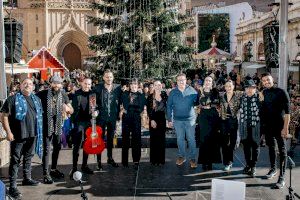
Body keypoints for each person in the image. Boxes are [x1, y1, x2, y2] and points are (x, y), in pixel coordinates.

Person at [1, 78, 43, 199]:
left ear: (33, 87)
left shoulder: (37, 99)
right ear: (20, 86)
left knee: (29, 157)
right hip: (18, 135)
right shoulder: (12, 99)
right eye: (25, 84)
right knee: (15, 160)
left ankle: (27, 178)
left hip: (33, 133)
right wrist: (8, 132)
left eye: (30, 84)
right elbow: (3, 116)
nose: (28, 86)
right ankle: (13, 186)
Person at [37, 75, 73, 184]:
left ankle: (53, 169)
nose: (57, 85)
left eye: (59, 83)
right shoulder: (42, 94)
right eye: (55, 83)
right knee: (47, 150)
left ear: (61, 84)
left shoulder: (63, 94)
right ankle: (45, 174)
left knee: (57, 147)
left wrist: (68, 109)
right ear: (50, 83)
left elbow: (71, 110)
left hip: (58, 126)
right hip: (46, 126)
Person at [261, 72, 290, 189]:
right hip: (268, 126)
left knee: (282, 150)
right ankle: (273, 169)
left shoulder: (282, 92)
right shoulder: (264, 92)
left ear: (272, 79)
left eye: (268, 80)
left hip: (280, 126)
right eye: (264, 81)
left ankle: (282, 176)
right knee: (271, 148)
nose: (266, 82)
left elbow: (288, 113)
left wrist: (285, 128)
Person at [167, 73, 198, 169]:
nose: (181, 82)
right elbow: (169, 106)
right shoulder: (173, 92)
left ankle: (192, 158)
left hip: (190, 120)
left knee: (191, 139)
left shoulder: (192, 91)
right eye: (179, 80)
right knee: (180, 139)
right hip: (177, 120)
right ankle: (182, 157)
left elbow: (198, 103)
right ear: (176, 82)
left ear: (186, 80)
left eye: (183, 80)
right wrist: (169, 119)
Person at [94, 69, 122, 169]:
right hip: (101, 118)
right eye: (107, 77)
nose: (109, 79)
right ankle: (99, 162)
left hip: (112, 117)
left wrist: (121, 111)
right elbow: (93, 102)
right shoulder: (98, 88)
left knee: (110, 139)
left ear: (113, 78)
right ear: (103, 78)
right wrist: (95, 110)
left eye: (110, 77)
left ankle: (110, 158)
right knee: (99, 140)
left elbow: (121, 101)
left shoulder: (118, 88)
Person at [70, 78, 97, 179]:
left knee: (87, 145)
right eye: (85, 84)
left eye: (89, 84)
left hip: (89, 123)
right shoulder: (76, 94)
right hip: (79, 122)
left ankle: (84, 165)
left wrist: (96, 112)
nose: (87, 86)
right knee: (77, 145)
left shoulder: (93, 95)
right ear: (82, 84)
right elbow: (72, 107)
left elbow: (95, 108)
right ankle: (74, 167)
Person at [120, 78, 146, 169]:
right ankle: (124, 161)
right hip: (126, 118)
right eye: (132, 85)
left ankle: (136, 160)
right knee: (125, 140)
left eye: (135, 85)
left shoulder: (141, 95)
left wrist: (134, 110)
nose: (134, 86)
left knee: (136, 140)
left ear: (138, 85)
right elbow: (124, 105)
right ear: (129, 86)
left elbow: (142, 108)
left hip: (136, 119)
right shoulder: (124, 94)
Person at [197, 76, 221, 171]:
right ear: (204, 82)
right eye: (206, 80)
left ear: (212, 83)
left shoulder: (215, 92)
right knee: (204, 139)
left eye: (209, 81)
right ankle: (204, 162)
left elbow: (218, 103)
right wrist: (199, 106)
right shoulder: (199, 92)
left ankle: (210, 162)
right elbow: (195, 103)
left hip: (213, 117)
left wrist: (209, 105)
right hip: (203, 117)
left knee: (212, 139)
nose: (208, 82)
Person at [239, 79, 262, 177]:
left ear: (255, 89)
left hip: (256, 126)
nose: (249, 90)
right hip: (244, 126)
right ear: (244, 89)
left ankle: (253, 166)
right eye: (247, 88)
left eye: (252, 88)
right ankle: (248, 164)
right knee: (246, 147)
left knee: (255, 147)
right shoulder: (241, 98)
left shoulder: (259, 98)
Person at [220, 80, 241, 171]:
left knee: (232, 142)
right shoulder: (222, 96)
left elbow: (252, 91)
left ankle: (230, 161)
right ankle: (226, 162)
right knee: (224, 143)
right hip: (224, 121)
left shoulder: (238, 95)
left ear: (233, 86)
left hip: (234, 120)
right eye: (226, 86)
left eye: (230, 86)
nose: (228, 88)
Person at [147, 80, 167, 165]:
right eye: (156, 85)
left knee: (161, 139)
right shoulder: (150, 97)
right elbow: (148, 110)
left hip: (162, 118)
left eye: (159, 85)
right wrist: (151, 120)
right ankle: (154, 160)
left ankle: (161, 160)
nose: (158, 86)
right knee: (154, 139)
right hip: (153, 118)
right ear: (153, 86)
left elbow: (168, 107)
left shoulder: (165, 96)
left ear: (161, 86)